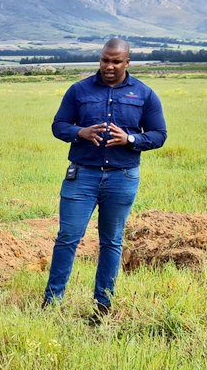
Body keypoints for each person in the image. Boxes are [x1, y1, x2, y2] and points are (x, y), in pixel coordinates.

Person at [43, 38, 167, 316]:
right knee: (68, 237)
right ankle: (52, 303)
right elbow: (58, 125)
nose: (109, 66)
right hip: (82, 177)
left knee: (111, 241)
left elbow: (159, 135)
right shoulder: (79, 90)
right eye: (104, 60)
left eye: (116, 61)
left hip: (122, 178)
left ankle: (103, 305)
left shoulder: (145, 94)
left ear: (127, 62)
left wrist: (130, 138)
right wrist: (80, 132)